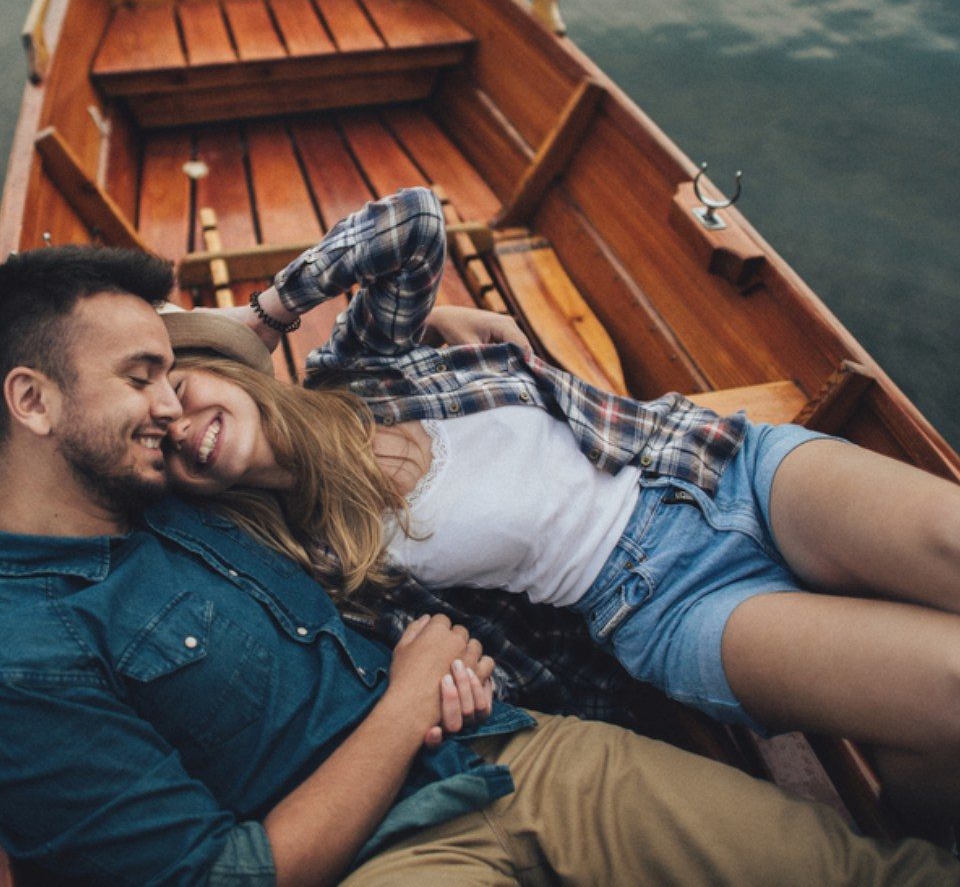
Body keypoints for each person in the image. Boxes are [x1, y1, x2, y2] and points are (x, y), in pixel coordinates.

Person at [0, 246, 956, 883]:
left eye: (169, 376)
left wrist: (389, 317)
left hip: (510, 747)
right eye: (140, 381)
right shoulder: (39, 639)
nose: (169, 410)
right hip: (389, 853)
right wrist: (407, 697)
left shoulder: (175, 467)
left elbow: (377, 255)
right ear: (33, 405)